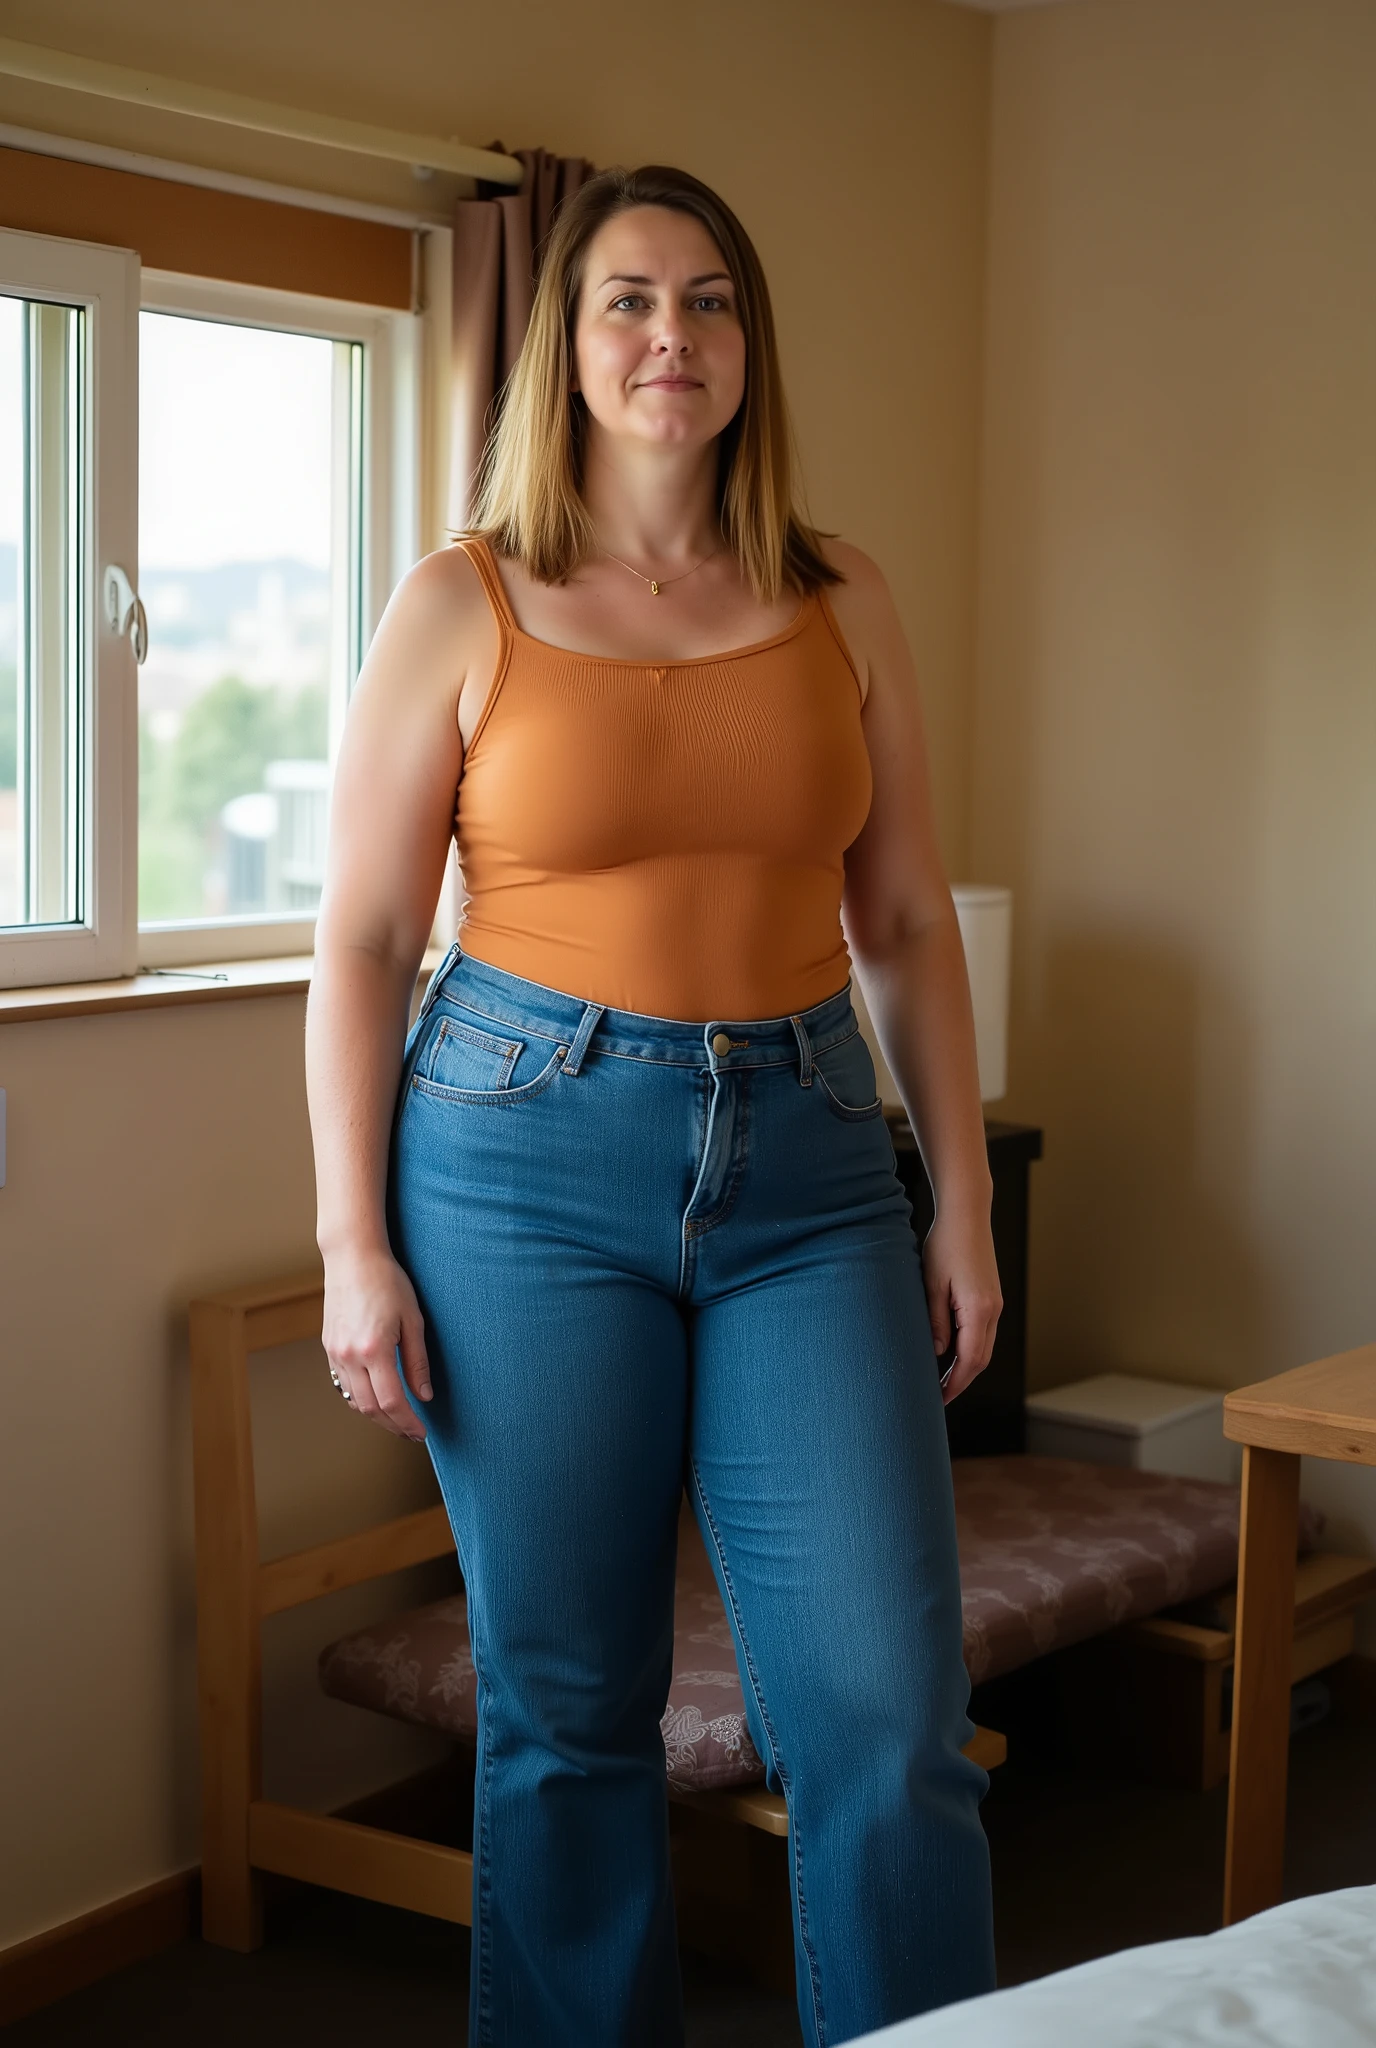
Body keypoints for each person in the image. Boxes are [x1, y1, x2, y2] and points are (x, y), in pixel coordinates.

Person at [305, 162, 1000, 2048]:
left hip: (810, 1163)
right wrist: (352, 1243)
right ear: (567, 342)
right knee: (571, 1709)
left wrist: (963, 1204)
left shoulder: (840, 590)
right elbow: (365, 937)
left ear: (750, 346)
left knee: (881, 1705)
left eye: (707, 301)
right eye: (624, 299)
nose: (669, 337)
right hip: (519, 1160)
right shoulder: (462, 600)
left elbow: (910, 920)